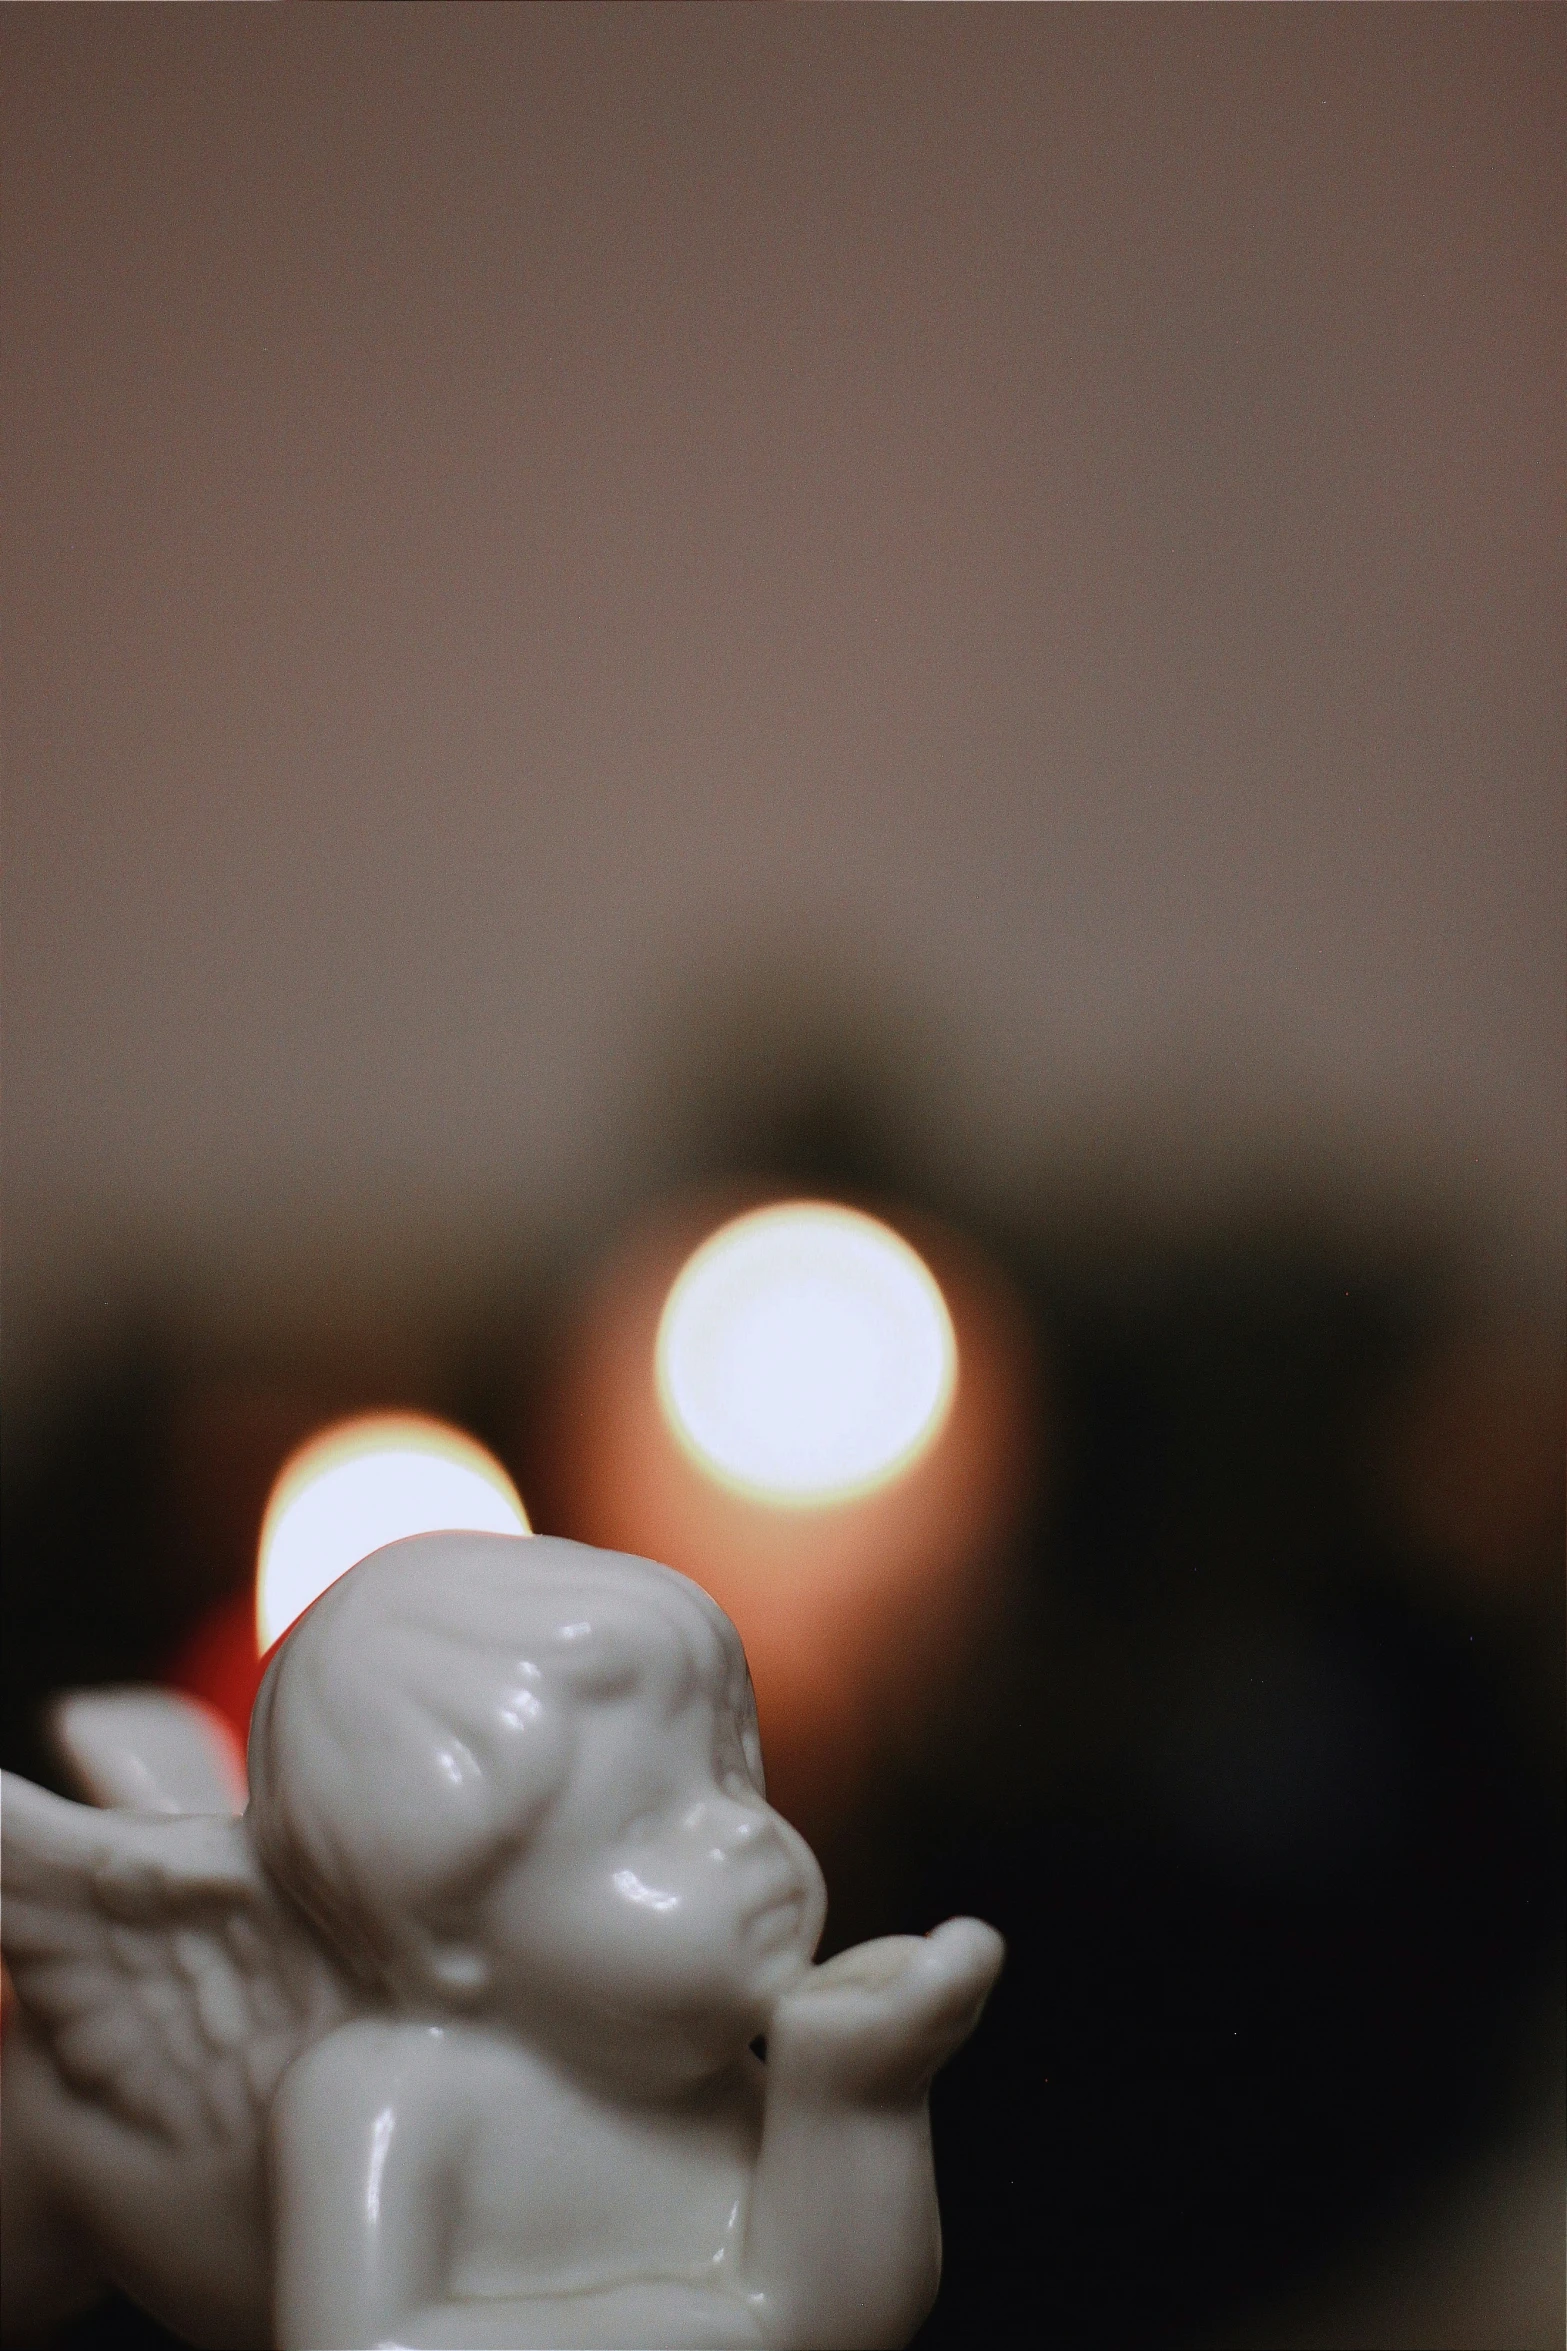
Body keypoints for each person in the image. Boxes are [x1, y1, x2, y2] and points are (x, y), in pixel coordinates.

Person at [256, 1532, 1004, 2350]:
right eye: (646, 1824)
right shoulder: (386, 2097)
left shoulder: (712, 2074)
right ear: (449, 1929)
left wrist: (854, 2091)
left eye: (732, 1777)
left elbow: (835, 2321)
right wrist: (707, 2323)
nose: (743, 1835)